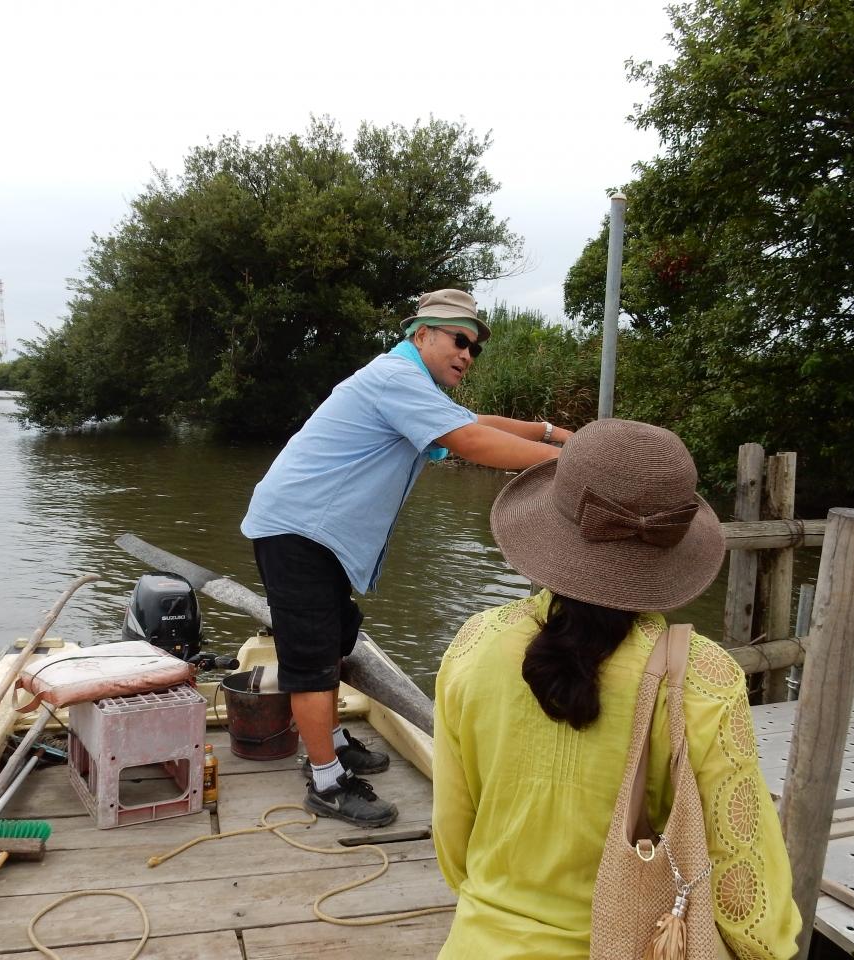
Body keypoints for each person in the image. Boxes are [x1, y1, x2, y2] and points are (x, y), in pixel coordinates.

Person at [432, 419, 801, 960]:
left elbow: (452, 832)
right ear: (675, 546)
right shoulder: (702, 677)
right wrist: (770, 948)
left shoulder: (475, 644)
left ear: (550, 528)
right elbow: (745, 888)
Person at [241, 288, 573, 827]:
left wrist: (553, 435)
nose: (467, 354)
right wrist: (573, 465)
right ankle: (326, 782)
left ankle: (329, 740)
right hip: (298, 530)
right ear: (422, 335)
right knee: (312, 660)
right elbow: (472, 441)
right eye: (459, 340)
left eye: (474, 348)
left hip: (317, 535)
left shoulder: (412, 384)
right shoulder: (396, 378)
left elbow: (476, 423)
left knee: (335, 638)